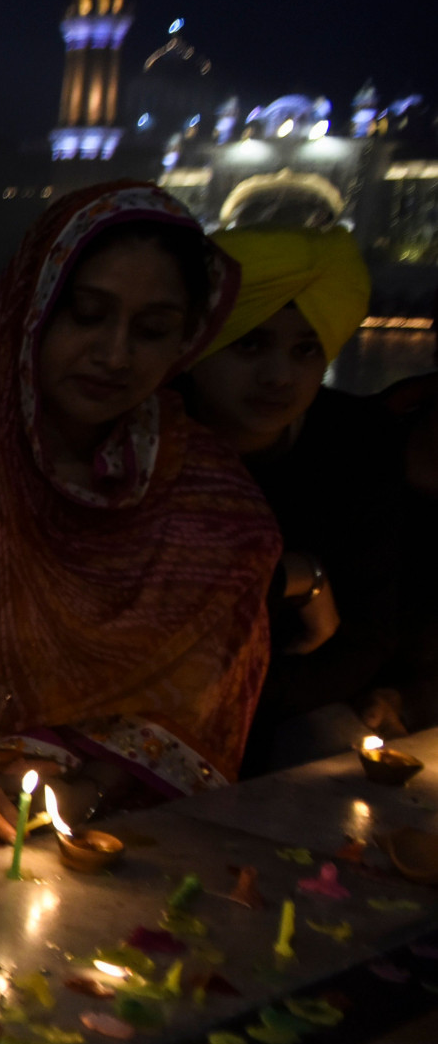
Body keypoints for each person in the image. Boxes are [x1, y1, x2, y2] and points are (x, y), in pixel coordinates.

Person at [0, 183, 280, 855]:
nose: (114, 354)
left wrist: (84, 789)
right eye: (87, 316)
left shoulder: (214, 507)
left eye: (151, 331)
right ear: (29, 312)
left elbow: (197, 712)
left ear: (187, 339)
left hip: (114, 845)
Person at [174, 225, 399, 772]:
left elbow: (367, 631)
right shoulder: (139, 440)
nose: (279, 377)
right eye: (250, 342)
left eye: (305, 350)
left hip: (286, 718)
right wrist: (291, 577)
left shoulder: (357, 443)